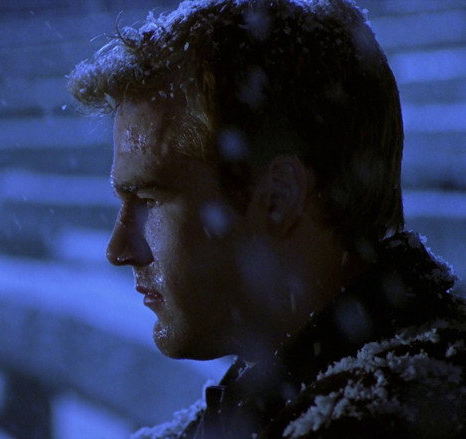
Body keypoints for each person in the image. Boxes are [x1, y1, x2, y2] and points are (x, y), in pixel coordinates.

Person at [67, 0, 466, 437]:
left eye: (149, 200)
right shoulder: (293, 385)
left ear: (278, 197)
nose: (118, 250)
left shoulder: (384, 419)